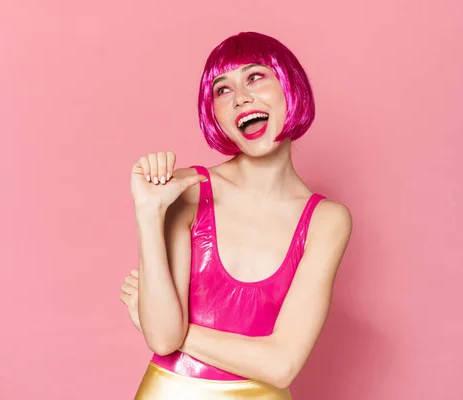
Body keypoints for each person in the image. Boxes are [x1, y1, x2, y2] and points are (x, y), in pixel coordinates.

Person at [120, 31, 352, 399]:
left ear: (290, 86)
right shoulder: (188, 191)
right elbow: (161, 338)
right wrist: (148, 213)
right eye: (222, 90)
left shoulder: (327, 220)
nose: (241, 97)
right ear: (214, 113)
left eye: (255, 77)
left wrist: (181, 334)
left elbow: (281, 366)